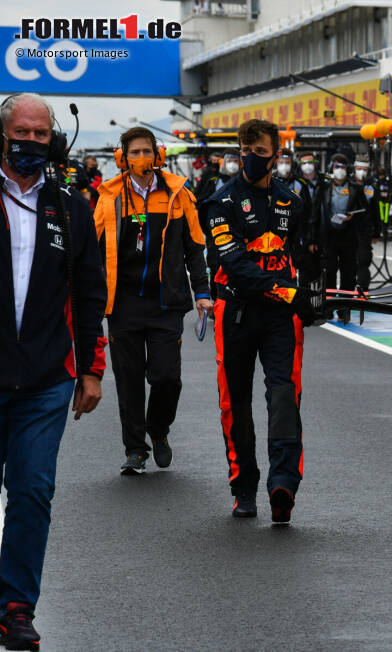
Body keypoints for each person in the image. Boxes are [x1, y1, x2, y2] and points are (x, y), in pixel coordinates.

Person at [0, 93, 106, 650]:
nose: (32, 143)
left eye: (42, 135)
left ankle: (16, 607)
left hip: (47, 378)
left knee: (33, 493)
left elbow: (90, 293)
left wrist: (91, 369)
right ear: (3, 133)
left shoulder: (69, 206)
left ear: (55, 139)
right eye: (24, 132)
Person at [207, 118, 319, 522]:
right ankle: (244, 487)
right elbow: (235, 265)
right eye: (245, 149)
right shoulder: (220, 203)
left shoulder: (293, 201)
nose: (251, 157)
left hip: (279, 319)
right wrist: (288, 290)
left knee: (284, 396)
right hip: (234, 312)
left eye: (259, 151)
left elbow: (302, 257)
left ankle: (283, 484)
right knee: (234, 402)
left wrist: (310, 294)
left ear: (275, 154)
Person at [94, 126, 211, 474]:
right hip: (124, 303)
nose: (141, 159)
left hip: (166, 302)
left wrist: (202, 291)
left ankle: (158, 429)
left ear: (158, 156)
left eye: (147, 152)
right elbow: (92, 248)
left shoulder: (178, 194)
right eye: (134, 153)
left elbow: (194, 245)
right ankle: (135, 449)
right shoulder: (110, 196)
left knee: (166, 378)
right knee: (128, 379)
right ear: (122, 158)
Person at [312, 153, 370, 321]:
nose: (339, 171)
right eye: (336, 167)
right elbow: (316, 213)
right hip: (328, 235)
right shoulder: (324, 188)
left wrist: (353, 217)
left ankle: (344, 307)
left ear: (348, 170)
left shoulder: (355, 188)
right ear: (332, 168)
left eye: (343, 168)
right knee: (329, 271)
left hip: (349, 235)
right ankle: (328, 306)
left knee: (348, 273)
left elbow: (365, 212)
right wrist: (313, 238)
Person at [196, 149, 241, 299]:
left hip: (239, 233)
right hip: (216, 232)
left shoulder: (244, 181)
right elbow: (199, 201)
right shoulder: (212, 180)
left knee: (238, 267)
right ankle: (216, 301)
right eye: (230, 161)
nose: (233, 165)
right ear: (223, 162)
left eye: (236, 161)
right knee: (216, 267)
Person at [352, 155, 380, 290]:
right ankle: (348, 289)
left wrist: (377, 232)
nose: (362, 172)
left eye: (364, 169)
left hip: (365, 229)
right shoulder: (348, 183)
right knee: (349, 261)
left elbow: (376, 211)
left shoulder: (371, 187)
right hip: (348, 228)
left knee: (363, 259)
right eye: (359, 169)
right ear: (354, 168)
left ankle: (363, 290)